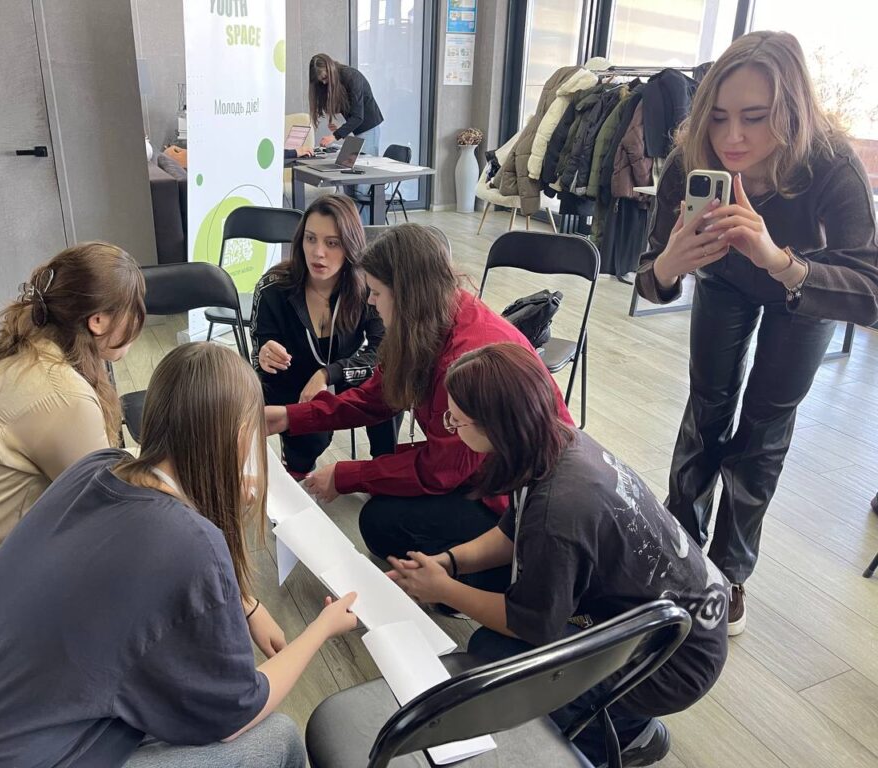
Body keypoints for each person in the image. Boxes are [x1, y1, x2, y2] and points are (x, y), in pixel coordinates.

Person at [0, 343, 359, 768]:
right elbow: (237, 715)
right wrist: (321, 628)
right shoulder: (191, 543)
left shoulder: (95, 469)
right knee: (277, 738)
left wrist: (243, 600)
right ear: (238, 439)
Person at [635, 31, 878, 635]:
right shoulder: (691, 158)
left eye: (755, 117)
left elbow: (870, 292)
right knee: (707, 407)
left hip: (804, 291)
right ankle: (680, 546)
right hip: (723, 280)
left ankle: (728, 572)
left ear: (791, 113)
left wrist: (779, 261)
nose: (732, 138)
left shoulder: (831, 165)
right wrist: (669, 266)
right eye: (719, 117)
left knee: (765, 426)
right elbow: (648, 277)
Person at [388, 342, 729, 767]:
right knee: (492, 632)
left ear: (496, 424)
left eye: (457, 419)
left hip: (672, 660)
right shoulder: (555, 442)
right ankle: (615, 717)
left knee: (493, 654)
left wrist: (444, 589)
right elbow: (511, 533)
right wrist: (450, 563)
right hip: (681, 617)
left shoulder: (559, 508)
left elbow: (531, 624)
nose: (451, 426)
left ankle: (624, 734)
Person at [266, 224, 572, 591]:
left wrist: (346, 475)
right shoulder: (432, 319)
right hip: (480, 474)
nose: (370, 302)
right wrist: (290, 416)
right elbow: (377, 398)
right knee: (384, 511)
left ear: (406, 294)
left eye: (376, 292)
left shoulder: (465, 358)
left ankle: (500, 578)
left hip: (520, 505)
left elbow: (441, 470)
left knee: (381, 523)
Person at [0, 242, 148, 657]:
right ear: (99, 321)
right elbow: (111, 507)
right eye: (134, 310)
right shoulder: (61, 394)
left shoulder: (28, 351)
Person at [251, 194, 395, 478]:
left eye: (332, 243)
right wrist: (265, 354)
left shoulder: (368, 288)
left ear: (350, 245)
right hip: (291, 380)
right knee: (308, 433)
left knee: (390, 388)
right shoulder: (272, 287)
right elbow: (259, 353)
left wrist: (328, 374)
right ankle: (297, 469)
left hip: (343, 375)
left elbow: (384, 353)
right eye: (310, 239)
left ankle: (384, 469)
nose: (318, 253)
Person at [308, 53, 384, 155]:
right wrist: (339, 125)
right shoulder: (335, 80)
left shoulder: (352, 76)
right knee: (352, 162)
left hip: (367, 126)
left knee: (366, 162)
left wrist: (334, 136)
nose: (324, 83)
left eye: (325, 77)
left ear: (330, 69)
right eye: (321, 81)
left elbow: (358, 116)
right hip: (354, 127)